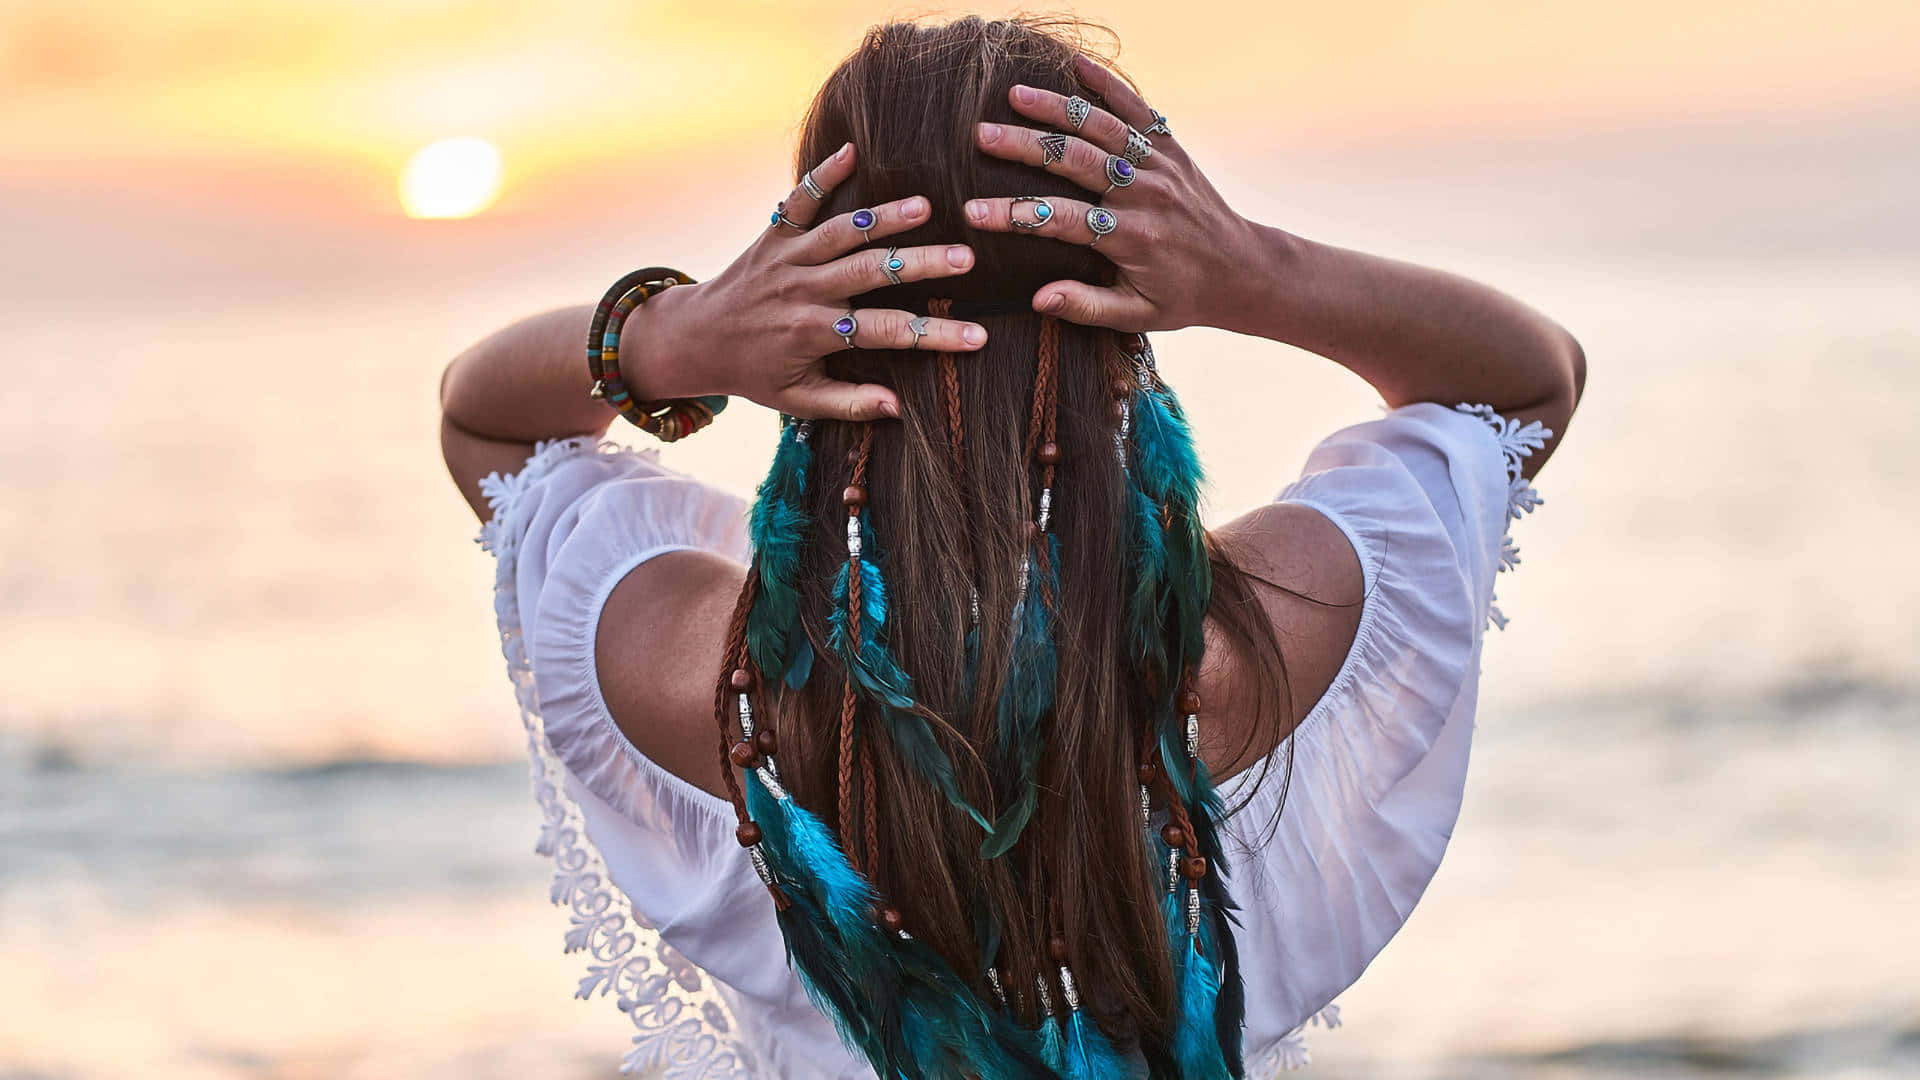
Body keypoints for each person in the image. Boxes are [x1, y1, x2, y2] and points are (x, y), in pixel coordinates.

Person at [440, 16, 1583, 1079]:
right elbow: (1525, 383)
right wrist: (1254, 271)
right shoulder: (1279, 632)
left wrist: (673, 336)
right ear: (1124, 310)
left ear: (796, 297)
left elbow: (485, 418)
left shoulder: (694, 675)